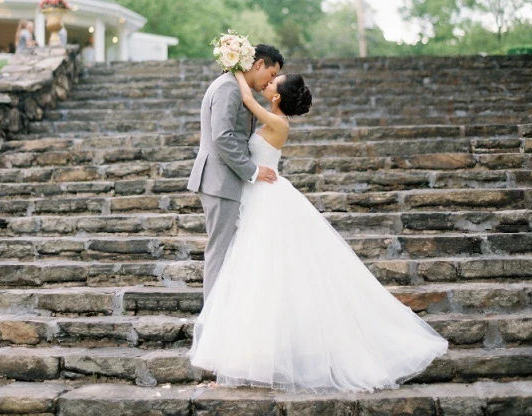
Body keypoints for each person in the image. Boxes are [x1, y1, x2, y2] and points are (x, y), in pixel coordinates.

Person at [189, 70, 449, 394]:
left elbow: (244, 98)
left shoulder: (278, 122)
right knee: (257, 271)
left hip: (267, 197)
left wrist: (236, 67)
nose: (266, 84)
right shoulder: (273, 116)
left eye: (271, 83)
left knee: (264, 268)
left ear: (277, 97)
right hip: (257, 193)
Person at [187, 44, 283, 300]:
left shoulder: (234, 85)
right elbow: (222, 136)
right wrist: (252, 171)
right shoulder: (228, 88)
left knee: (228, 251)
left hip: (225, 181)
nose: (270, 82)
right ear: (259, 64)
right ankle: (212, 323)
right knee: (220, 251)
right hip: (220, 181)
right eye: (271, 75)